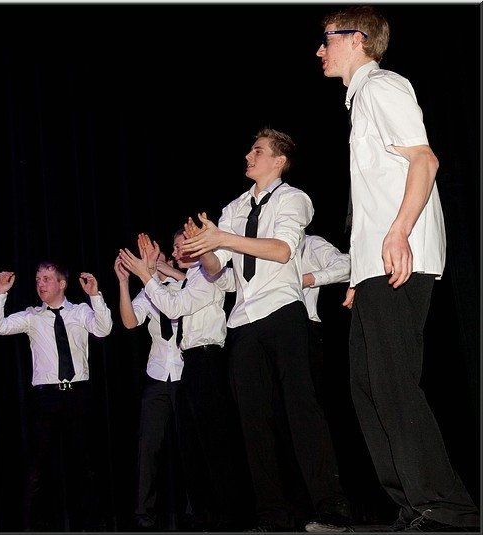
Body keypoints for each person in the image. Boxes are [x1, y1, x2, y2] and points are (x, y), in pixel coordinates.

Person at [317, 6, 480, 532]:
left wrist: (399, 233)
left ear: (357, 39)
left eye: (327, 39)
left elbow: (424, 161)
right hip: (377, 266)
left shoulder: (382, 86)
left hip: (401, 255)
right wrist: (358, 275)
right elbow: (372, 198)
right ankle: (412, 502)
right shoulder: (362, 100)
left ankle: (445, 506)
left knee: (393, 384)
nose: (319, 50)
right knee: (367, 387)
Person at [181, 128, 352, 532]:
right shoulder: (234, 207)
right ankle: (272, 515)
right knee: (253, 419)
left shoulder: (294, 198)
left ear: (279, 160)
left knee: (302, 410)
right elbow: (216, 269)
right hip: (243, 323)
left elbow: (282, 250)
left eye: (257, 151)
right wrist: (204, 248)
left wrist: (223, 237)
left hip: (283, 312)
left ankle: (331, 507)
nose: (248, 156)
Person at [119, 232, 250, 531]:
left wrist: (150, 273)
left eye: (180, 248)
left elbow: (177, 303)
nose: (176, 254)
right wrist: (137, 277)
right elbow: (130, 321)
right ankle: (201, 514)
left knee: (208, 442)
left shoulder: (204, 275)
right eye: (174, 249)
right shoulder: (179, 280)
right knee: (184, 445)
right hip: (172, 370)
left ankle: (219, 513)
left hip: (201, 362)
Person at [0, 262, 112, 531]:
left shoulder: (80, 311)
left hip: (78, 395)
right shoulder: (32, 316)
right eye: (37, 279)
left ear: (62, 284)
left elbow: (103, 329)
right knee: (38, 466)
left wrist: (95, 296)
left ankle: (93, 525)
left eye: (46, 279)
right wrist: (0, 294)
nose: (40, 284)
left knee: (86, 465)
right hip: (46, 400)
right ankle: (34, 526)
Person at [115, 245, 188, 530]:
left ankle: (196, 511)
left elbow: (194, 284)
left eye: (155, 257)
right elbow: (130, 322)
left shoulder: (187, 283)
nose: (149, 262)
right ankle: (144, 514)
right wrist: (124, 283)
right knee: (148, 446)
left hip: (186, 374)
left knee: (190, 445)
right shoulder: (148, 291)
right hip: (158, 376)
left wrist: (161, 269)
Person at [300, 234, 351, 404]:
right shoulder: (258, 247)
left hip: (304, 328)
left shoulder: (308, 243)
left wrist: (305, 280)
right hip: (263, 326)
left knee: (307, 399)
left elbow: (346, 265)